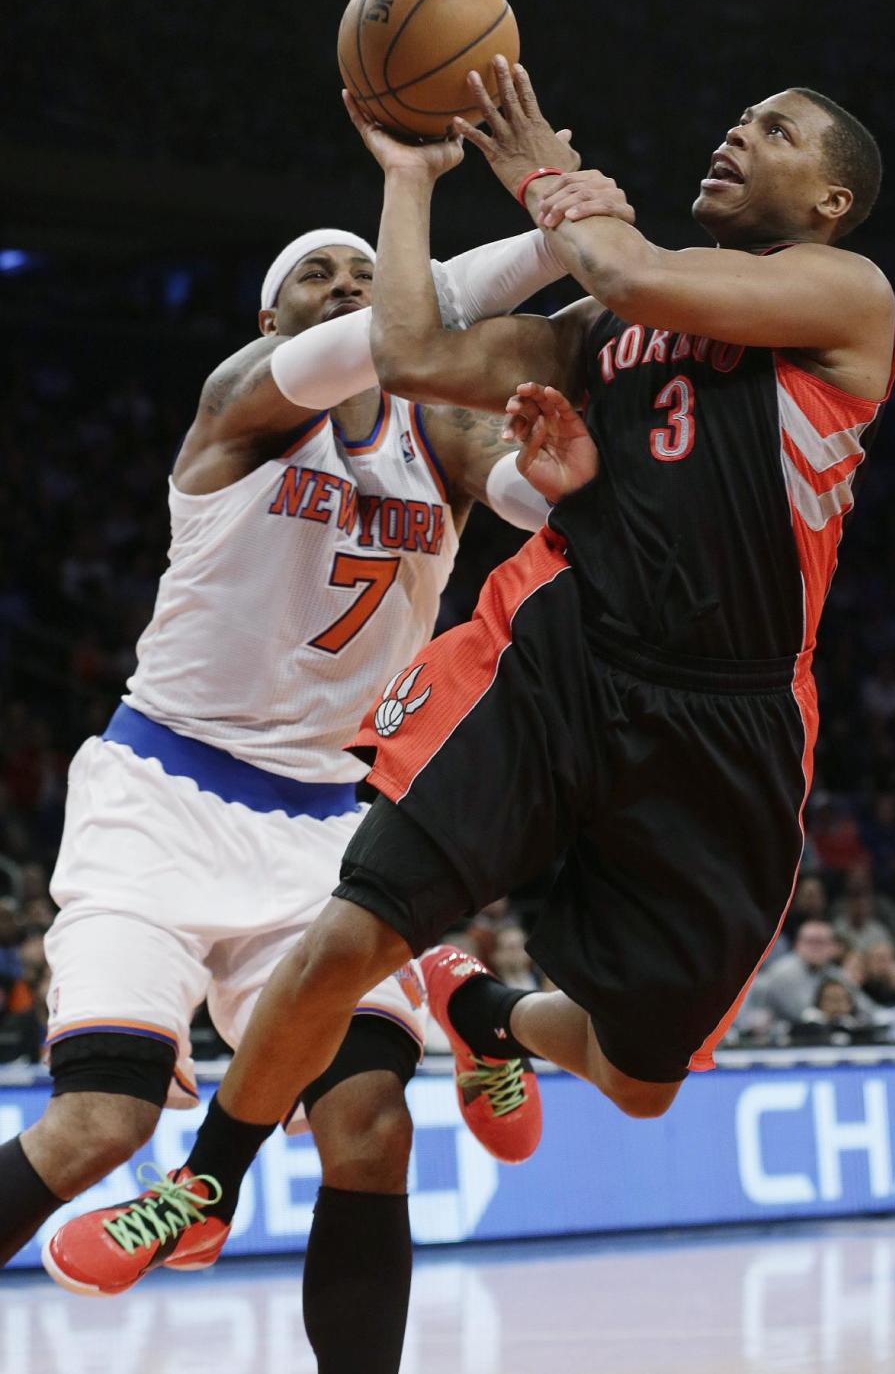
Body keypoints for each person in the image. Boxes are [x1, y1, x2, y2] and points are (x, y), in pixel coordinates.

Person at [51, 57, 895, 1292]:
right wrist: (408, 186)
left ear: (830, 200)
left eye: (774, 131)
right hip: (558, 658)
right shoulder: (597, 333)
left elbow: (633, 264)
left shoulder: (845, 293)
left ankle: (486, 1015)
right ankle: (203, 1182)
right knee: (350, 928)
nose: (738, 132)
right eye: (738, 116)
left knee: (641, 1081)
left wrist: (539, 173)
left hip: (732, 711)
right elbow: (405, 351)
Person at [0, 207, 639, 1367]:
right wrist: (549, 240)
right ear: (270, 316)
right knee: (100, 1124)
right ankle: (462, 991)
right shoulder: (239, 408)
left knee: (370, 1125)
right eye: (319, 277)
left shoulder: (439, 433)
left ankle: (457, 1002)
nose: (348, 287)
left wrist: (564, 483)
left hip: (319, 827)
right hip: (162, 795)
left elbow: (537, 503)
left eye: (363, 272)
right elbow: (399, 326)